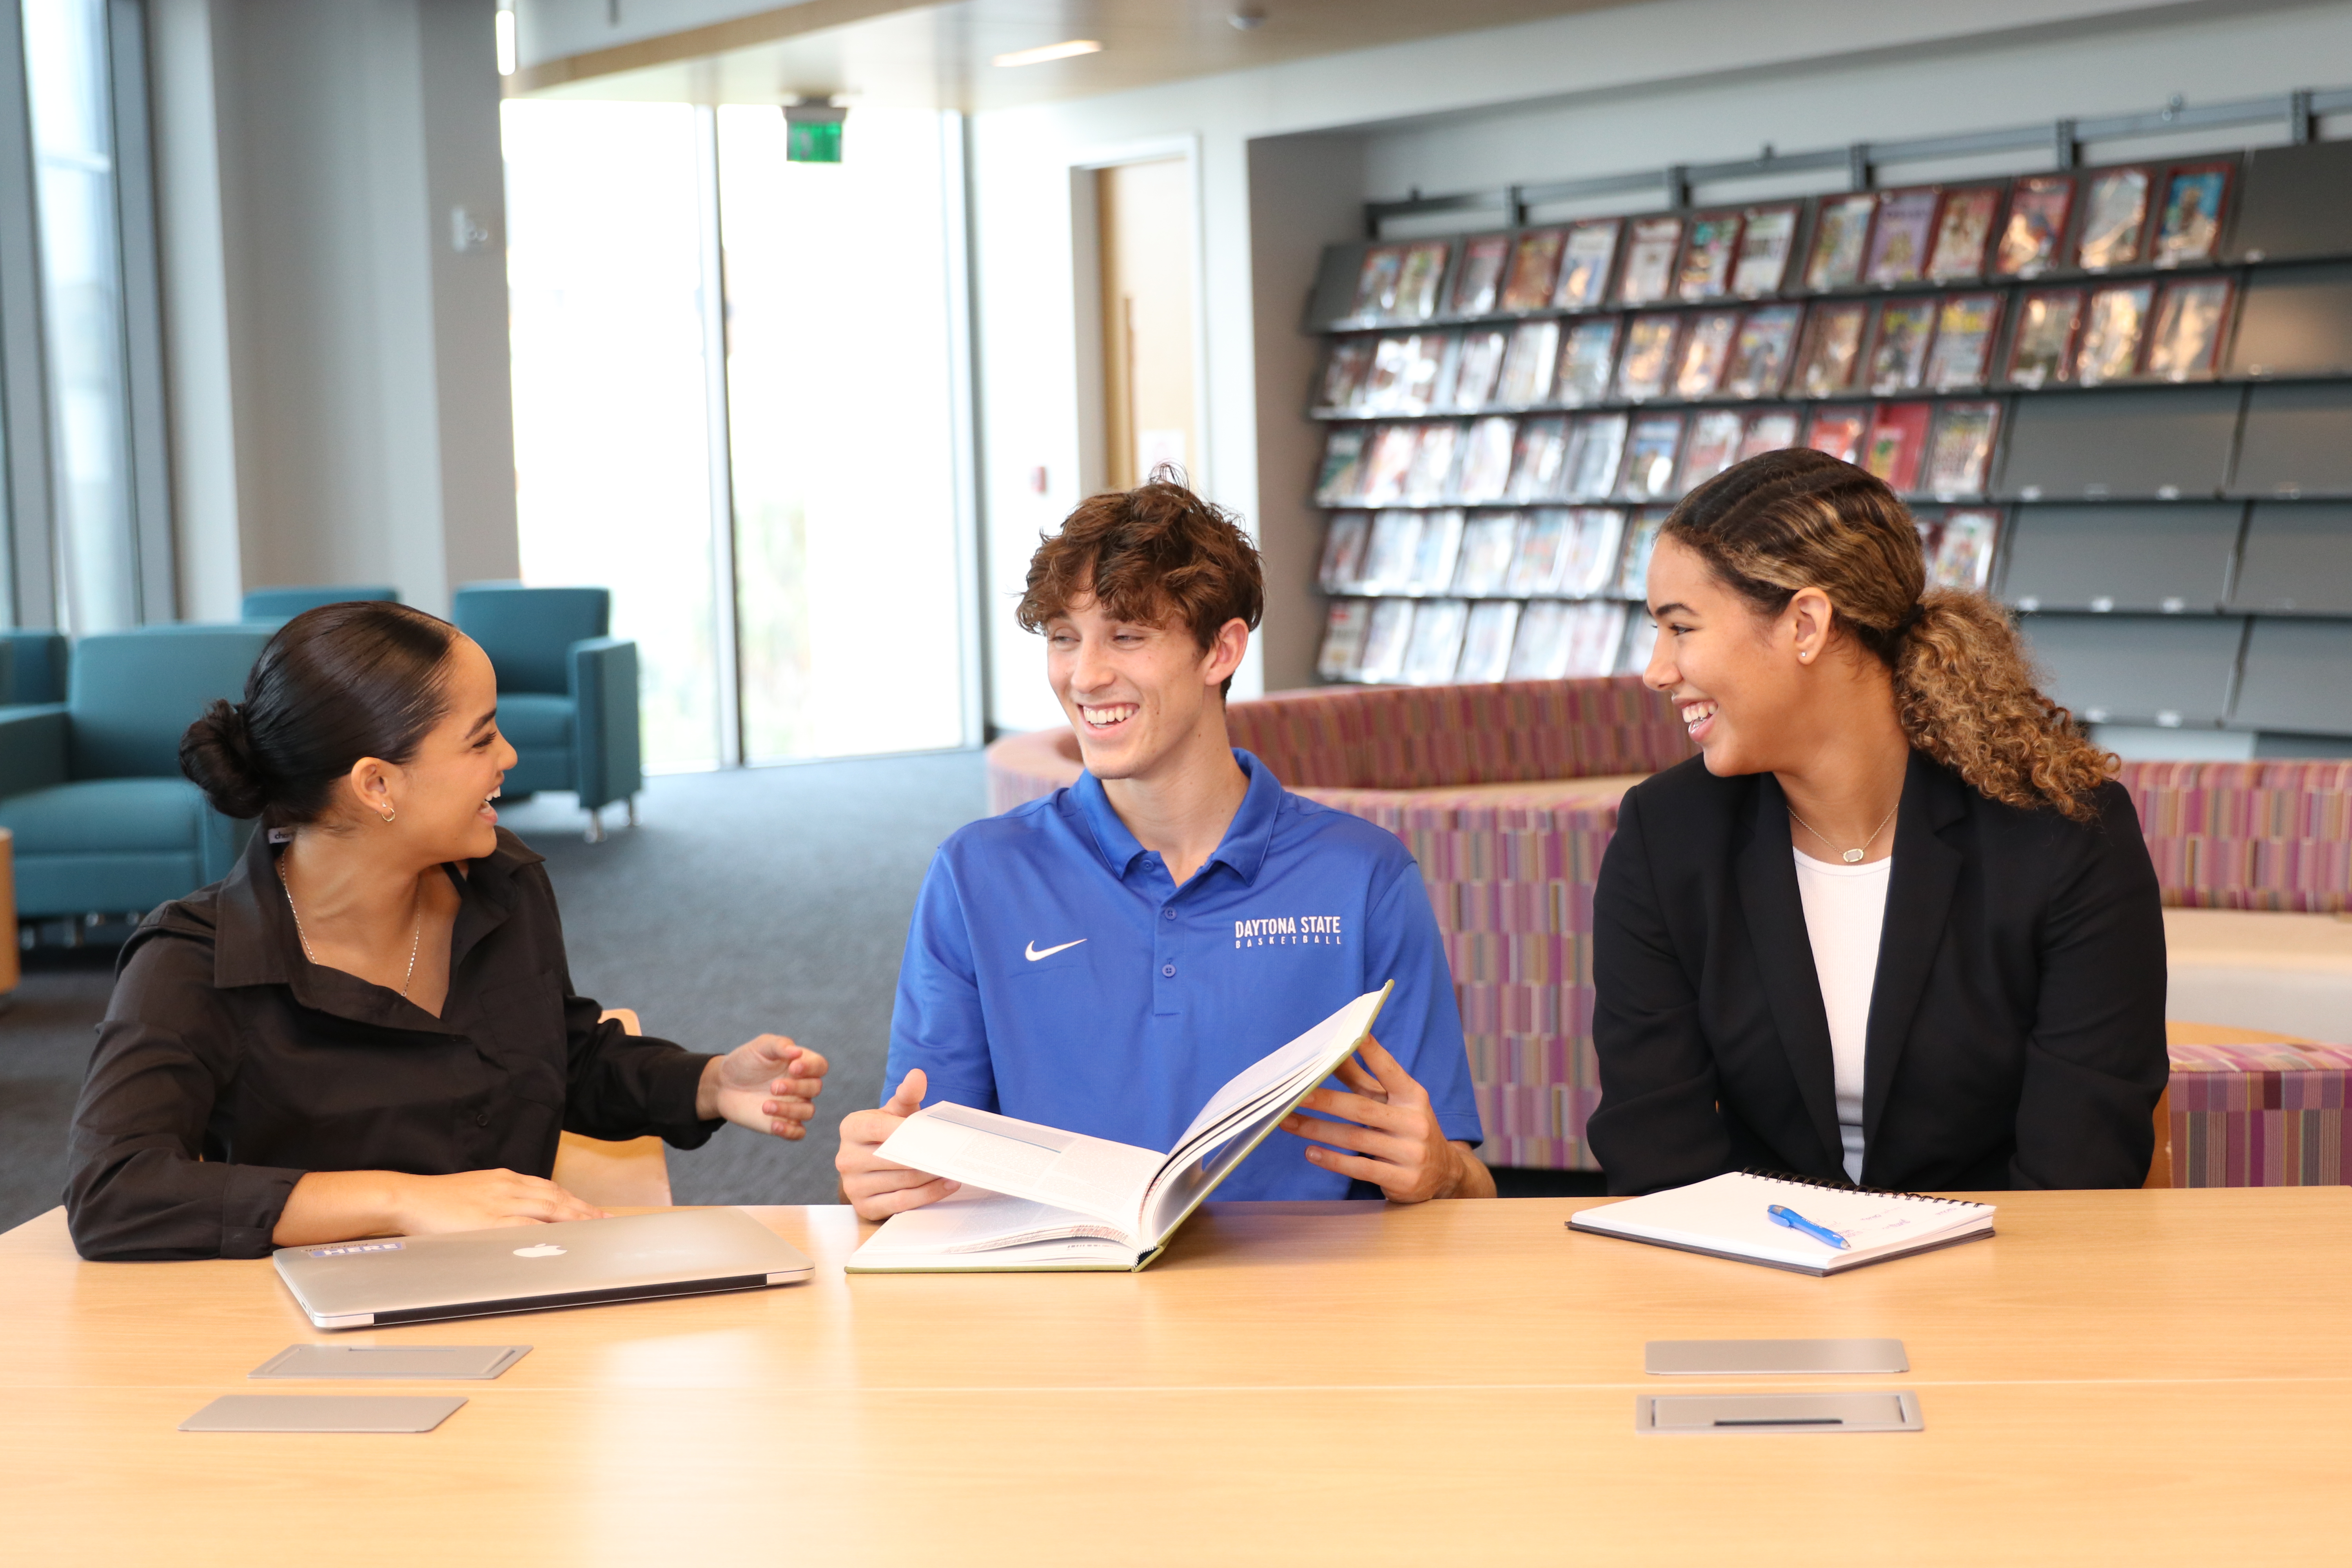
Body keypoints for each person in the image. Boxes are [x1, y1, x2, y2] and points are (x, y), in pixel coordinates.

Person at [66, 602, 828, 1260]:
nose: (510, 757)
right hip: (309, 1349)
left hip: (523, 1304)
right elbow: (114, 1190)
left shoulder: (505, 883)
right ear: (377, 784)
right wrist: (405, 1201)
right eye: (480, 739)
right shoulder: (196, 960)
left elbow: (558, 1060)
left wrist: (707, 1082)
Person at [837, 479, 1490, 1220]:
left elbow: (1465, 1185)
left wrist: (1443, 1171)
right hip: (1063, 1306)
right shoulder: (976, 874)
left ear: (1222, 649)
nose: (1084, 676)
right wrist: (878, 1181)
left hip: (1298, 1313)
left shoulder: (1364, 876)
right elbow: (924, 1166)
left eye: (1127, 636)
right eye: (1062, 636)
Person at [1589, 448, 2166, 1195]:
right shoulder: (1665, 835)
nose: (1658, 669)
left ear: (1805, 624)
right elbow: (1654, 1147)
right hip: (1749, 1282)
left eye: (1681, 628)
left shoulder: (2062, 833)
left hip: (2001, 1285)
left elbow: (2079, 1165)